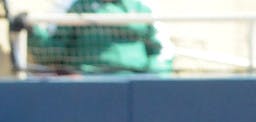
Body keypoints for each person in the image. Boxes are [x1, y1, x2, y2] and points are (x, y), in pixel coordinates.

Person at [13, 0, 174, 75]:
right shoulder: (74, 5)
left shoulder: (142, 6)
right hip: (87, 84)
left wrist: (150, 83)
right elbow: (51, 51)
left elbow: (161, 52)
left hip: (136, 86)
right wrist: (32, 30)